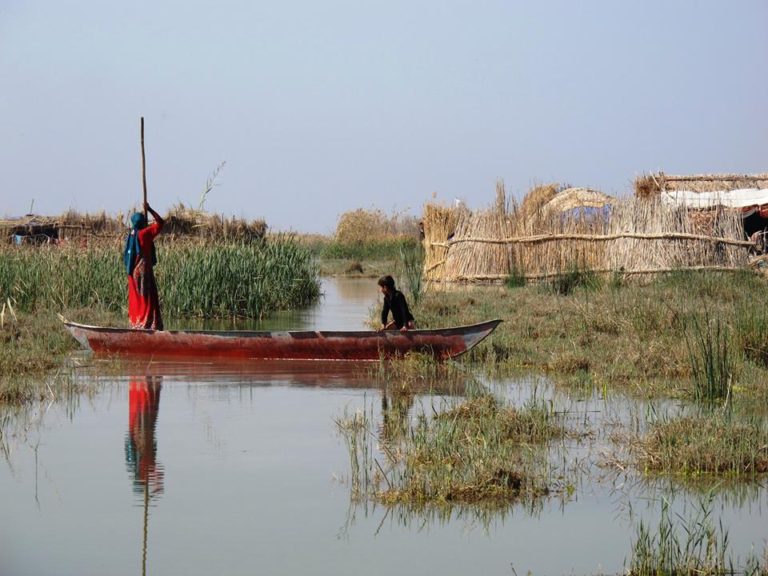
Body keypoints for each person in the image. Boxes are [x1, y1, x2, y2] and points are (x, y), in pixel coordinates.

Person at [124, 202, 165, 330]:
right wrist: (150, 209)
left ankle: (137, 324)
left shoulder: (131, 236)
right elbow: (160, 223)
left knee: (137, 300)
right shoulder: (144, 234)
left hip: (132, 271)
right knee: (149, 298)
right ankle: (149, 325)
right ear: (143, 223)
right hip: (143, 271)